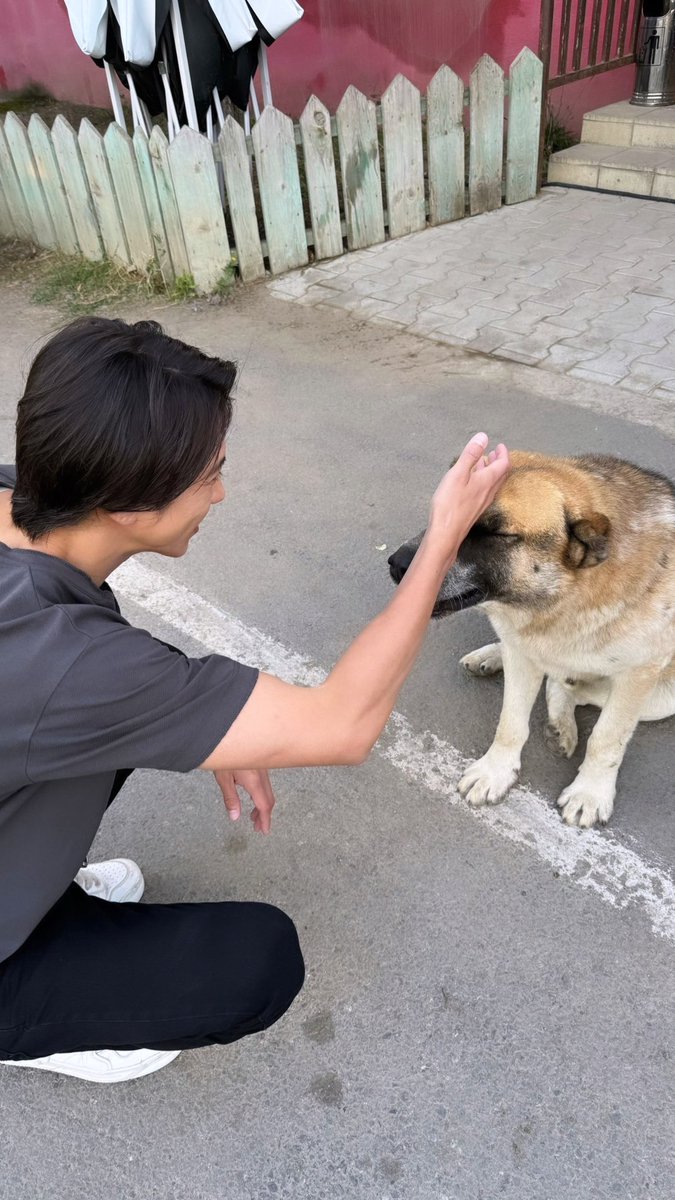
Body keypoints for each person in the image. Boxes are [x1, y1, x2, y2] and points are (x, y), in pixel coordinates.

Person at [0, 316, 509, 1083]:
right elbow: (340, 725)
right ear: (130, 508)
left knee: (128, 723)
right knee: (255, 961)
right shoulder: (67, 664)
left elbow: (68, 677)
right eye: (208, 474)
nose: (221, 493)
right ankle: (39, 1013)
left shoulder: (22, 503)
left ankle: (41, 891)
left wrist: (209, 725)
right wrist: (442, 540)